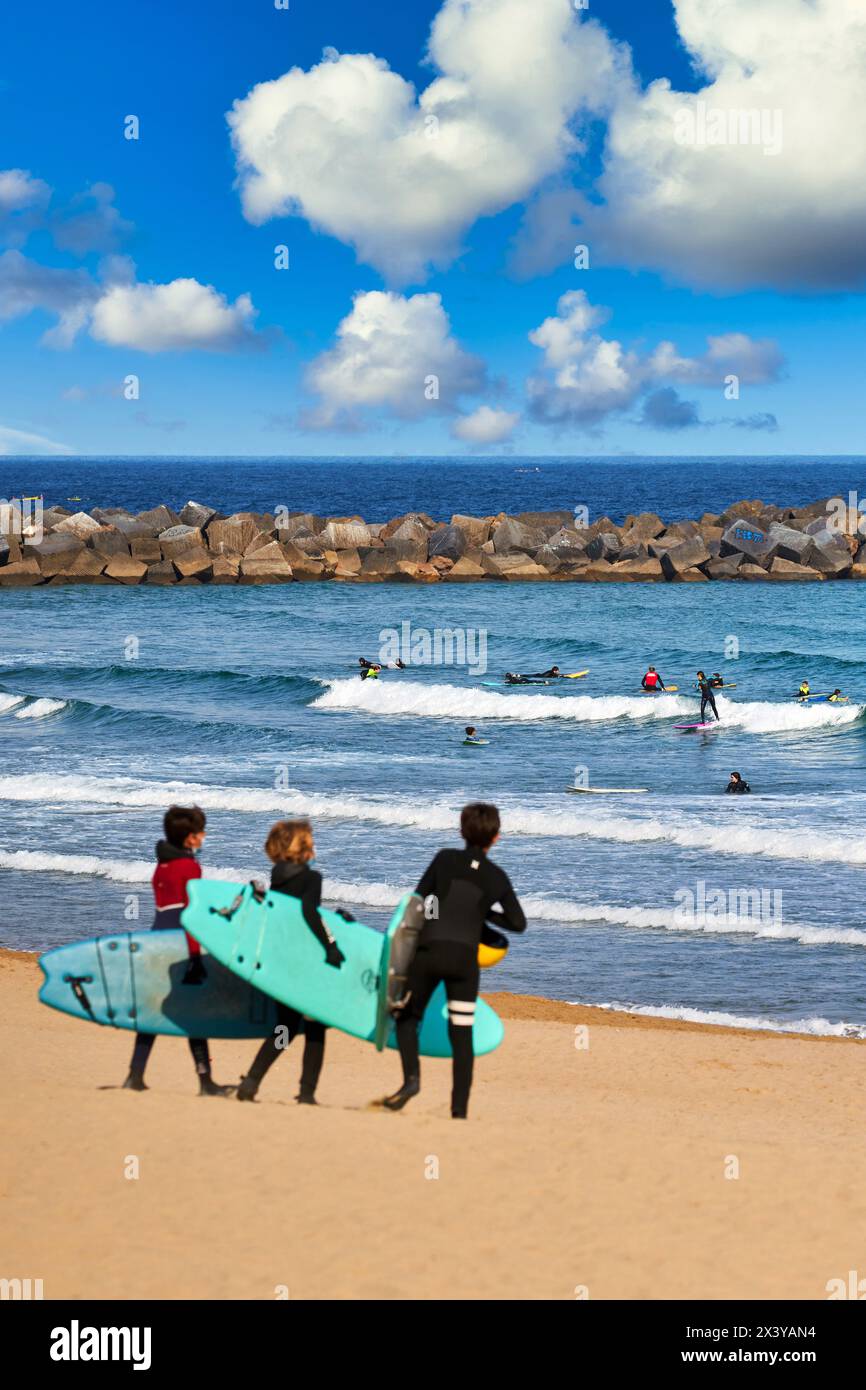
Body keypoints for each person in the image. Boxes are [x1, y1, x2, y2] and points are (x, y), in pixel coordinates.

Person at [383, 803, 526, 1120]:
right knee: (461, 1035)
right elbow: (518, 923)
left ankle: (411, 1081)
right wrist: (483, 913)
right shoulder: (496, 877)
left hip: (429, 952)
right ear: (496, 837)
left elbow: (418, 902)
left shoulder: (444, 859)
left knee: (407, 1018)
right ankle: (459, 1112)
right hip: (464, 961)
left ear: (462, 831)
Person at [123, 806, 234, 1097]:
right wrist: (196, 957)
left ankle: (135, 1075)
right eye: (200, 833)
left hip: (157, 939)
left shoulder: (162, 864)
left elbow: (168, 908)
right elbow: (191, 916)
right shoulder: (189, 867)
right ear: (189, 838)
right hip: (179, 945)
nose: (204, 836)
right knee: (195, 1014)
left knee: (152, 1011)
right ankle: (205, 1082)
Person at [237, 819, 346, 1105]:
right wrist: (331, 946)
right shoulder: (312, 878)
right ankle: (307, 1093)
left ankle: (251, 1082)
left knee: (285, 1027)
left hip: (281, 958)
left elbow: (287, 915)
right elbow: (310, 915)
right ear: (302, 846)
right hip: (305, 960)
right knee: (315, 1027)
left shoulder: (278, 877)